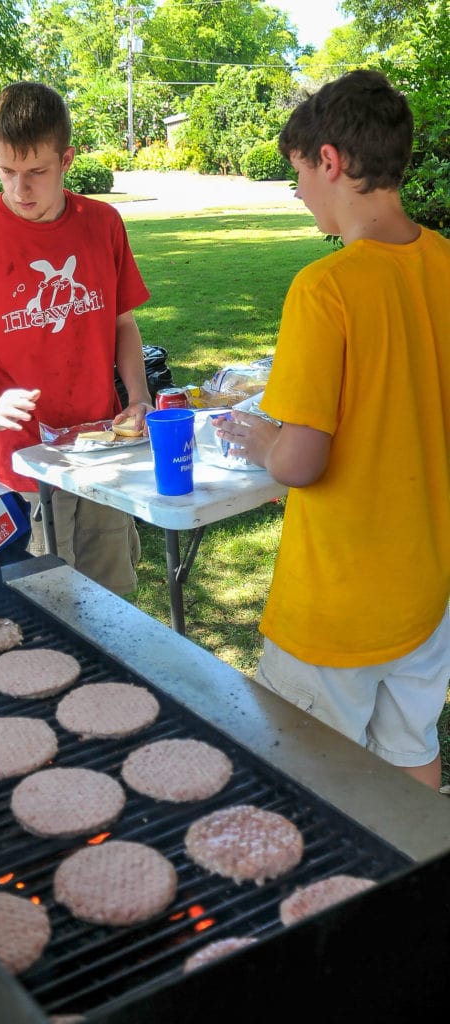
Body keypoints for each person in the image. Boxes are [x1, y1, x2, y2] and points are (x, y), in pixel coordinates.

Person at [217, 69, 450, 790]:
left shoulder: (325, 289)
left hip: (338, 599)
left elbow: (300, 463)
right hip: (427, 583)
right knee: (411, 750)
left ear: (331, 161)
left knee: (302, 778)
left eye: (298, 174)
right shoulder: (443, 262)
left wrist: (262, 441)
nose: (299, 193)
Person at [0, 81, 152, 595]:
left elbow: (122, 323)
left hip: (103, 445)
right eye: (6, 171)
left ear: (67, 159)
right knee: (49, 607)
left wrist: (140, 397)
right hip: (26, 462)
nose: (19, 190)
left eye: (36, 172)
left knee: (112, 601)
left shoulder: (102, 224)